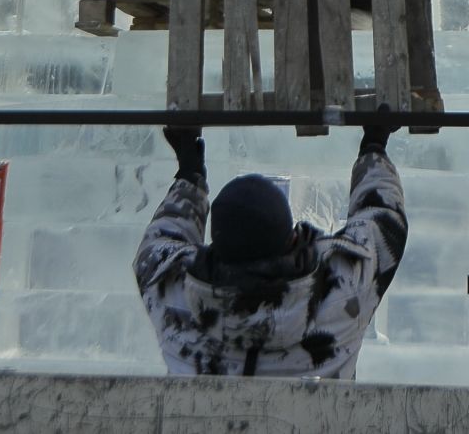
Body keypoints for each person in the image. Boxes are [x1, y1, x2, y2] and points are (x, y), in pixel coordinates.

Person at [134, 119, 406, 378]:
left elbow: (162, 238)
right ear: (290, 240)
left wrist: (189, 173)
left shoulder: (172, 297)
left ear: (216, 245)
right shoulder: (340, 291)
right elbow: (382, 219)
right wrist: (374, 143)